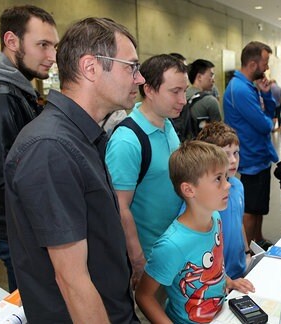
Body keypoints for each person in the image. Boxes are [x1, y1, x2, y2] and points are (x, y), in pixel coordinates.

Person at [4, 17, 143, 323]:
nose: (140, 79)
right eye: (131, 66)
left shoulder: (80, 136)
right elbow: (72, 281)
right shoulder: (50, 148)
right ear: (91, 67)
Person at [0, 5, 58, 293]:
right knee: (33, 303)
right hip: (13, 228)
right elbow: (3, 179)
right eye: (42, 45)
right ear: (12, 41)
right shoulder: (1, 96)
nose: (52, 56)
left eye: (53, 46)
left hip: (16, 223)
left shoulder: (16, 89)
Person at [135, 141, 255, 323]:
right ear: (189, 190)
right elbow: (144, 296)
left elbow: (216, 264)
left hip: (220, 314)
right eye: (218, 179)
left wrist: (228, 281)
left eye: (225, 177)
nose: (228, 185)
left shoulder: (215, 218)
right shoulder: (171, 245)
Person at [105, 54, 187, 287]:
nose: (183, 100)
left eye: (185, 90)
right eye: (175, 91)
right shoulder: (127, 141)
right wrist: (138, 260)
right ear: (149, 89)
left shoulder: (167, 123)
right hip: (150, 258)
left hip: (173, 249)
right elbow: (119, 207)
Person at [223, 41, 278, 249]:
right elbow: (265, 125)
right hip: (251, 159)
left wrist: (265, 94)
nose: (266, 68)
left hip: (260, 157)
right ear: (253, 64)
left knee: (258, 208)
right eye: (265, 62)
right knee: (250, 209)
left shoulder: (249, 87)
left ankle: (258, 240)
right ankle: (247, 249)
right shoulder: (240, 90)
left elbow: (270, 116)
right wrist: (268, 121)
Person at [196, 122, 249, 279]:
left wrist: (247, 253)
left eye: (236, 153)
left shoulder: (238, 186)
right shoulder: (204, 196)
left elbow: (239, 222)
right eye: (226, 154)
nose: (233, 160)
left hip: (240, 268)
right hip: (217, 277)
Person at [186, 59, 222, 128]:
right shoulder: (210, 101)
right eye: (211, 76)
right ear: (199, 77)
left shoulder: (183, 96)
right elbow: (219, 132)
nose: (213, 80)